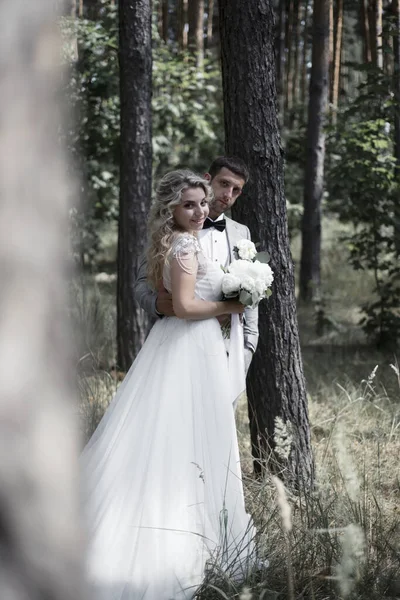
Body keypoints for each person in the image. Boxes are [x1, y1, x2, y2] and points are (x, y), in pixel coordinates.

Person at [81, 170, 255, 600]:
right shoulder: (182, 243)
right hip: (185, 349)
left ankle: (207, 533)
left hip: (197, 350)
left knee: (196, 438)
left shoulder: (183, 241)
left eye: (201, 203)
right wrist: (232, 303)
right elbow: (183, 306)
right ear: (171, 210)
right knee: (175, 436)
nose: (199, 211)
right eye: (188, 205)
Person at [134, 157, 259, 376]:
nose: (228, 194)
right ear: (207, 179)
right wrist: (157, 304)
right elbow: (141, 284)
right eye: (224, 184)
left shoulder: (242, 233)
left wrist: (248, 344)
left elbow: (251, 290)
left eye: (236, 190)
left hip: (228, 347)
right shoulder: (167, 231)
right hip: (181, 341)